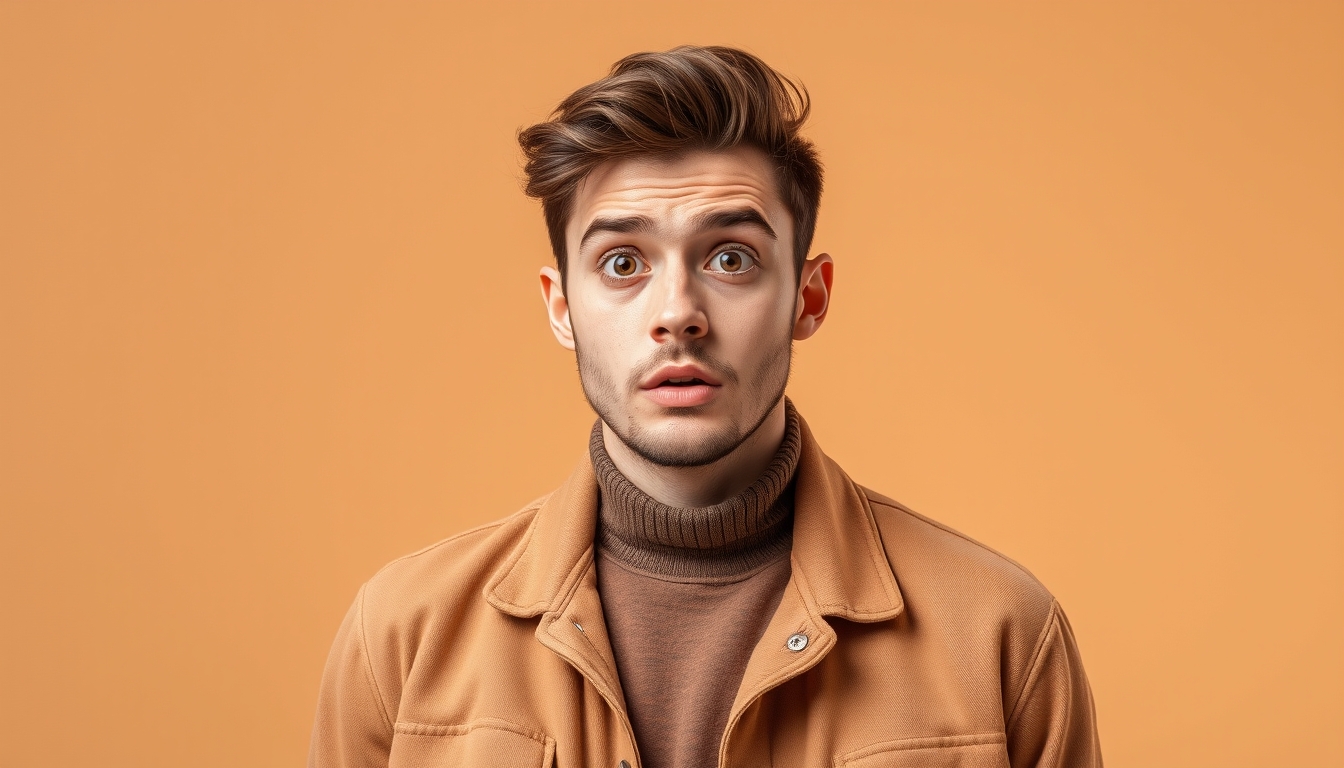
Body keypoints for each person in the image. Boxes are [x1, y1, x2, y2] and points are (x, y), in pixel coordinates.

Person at [309, 45, 1102, 768]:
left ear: (808, 295)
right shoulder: (403, 637)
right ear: (561, 308)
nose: (678, 311)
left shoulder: (1001, 636)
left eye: (730, 257)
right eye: (622, 262)